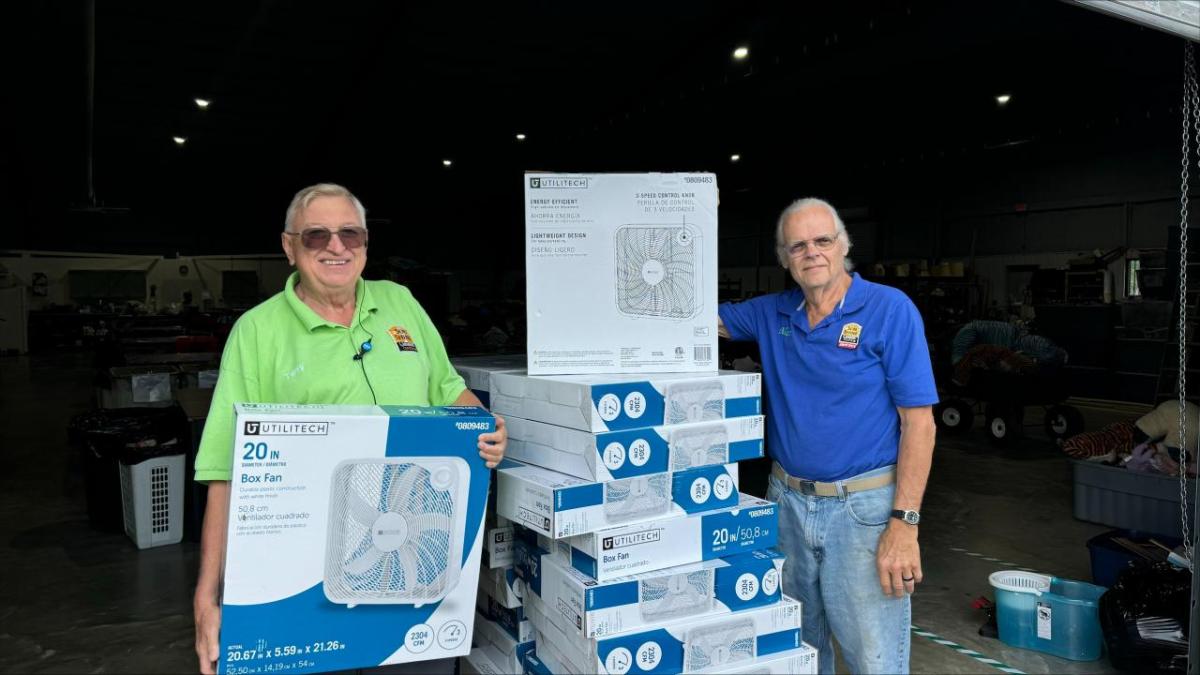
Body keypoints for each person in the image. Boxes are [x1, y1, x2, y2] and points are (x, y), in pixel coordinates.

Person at [191, 183, 507, 675]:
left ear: (365, 244)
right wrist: (208, 598)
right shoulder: (257, 332)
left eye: (350, 234)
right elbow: (224, 472)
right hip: (301, 582)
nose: (336, 247)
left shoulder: (400, 302)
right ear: (289, 247)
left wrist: (483, 428)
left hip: (416, 563)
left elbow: (447, 389)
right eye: (316, 235)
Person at [718, 197, 936, 674]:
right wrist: (688, 221)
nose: (811, 252)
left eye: (822, 241)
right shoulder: (771, 313)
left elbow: (919, 423)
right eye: (797, 245)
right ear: (784, 258)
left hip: (863, 512)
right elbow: (688, 321)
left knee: (873, 658)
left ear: (843, 246)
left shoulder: (888, 310)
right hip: (787, 503)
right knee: (797, 649)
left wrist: (904, 523)